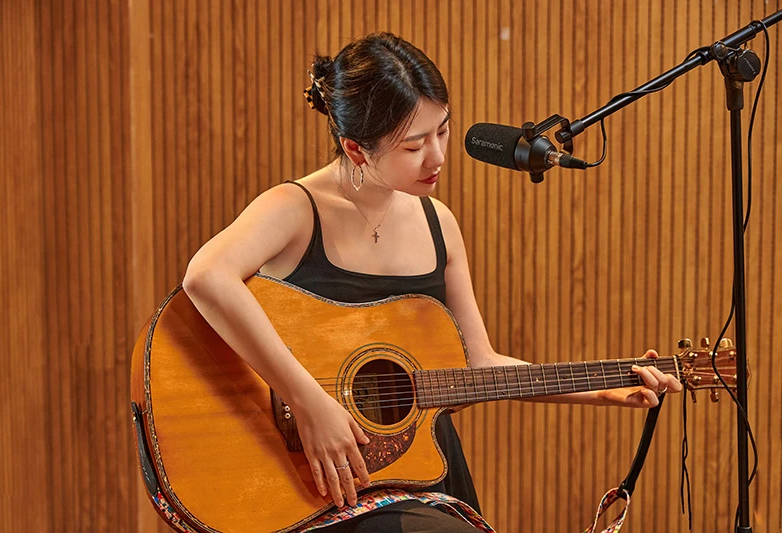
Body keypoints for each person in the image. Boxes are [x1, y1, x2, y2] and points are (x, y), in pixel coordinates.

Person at [182, 32, 683, 533]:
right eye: (414, 145)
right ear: (355, 148)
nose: (437, 157)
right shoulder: (296, 209)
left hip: (417, 476)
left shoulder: (437, 223)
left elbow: (480, 362)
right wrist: (308, 402)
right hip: (315, 480)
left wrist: (604, 390)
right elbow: (206, 276)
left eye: (442, 131)